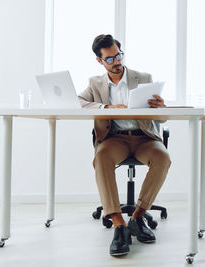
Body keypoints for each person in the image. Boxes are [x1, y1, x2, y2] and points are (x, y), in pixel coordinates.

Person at [78, 34, 171, 256]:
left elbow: (161, 119)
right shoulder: (95, 83)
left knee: (163, 158)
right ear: (100, 61)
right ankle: (119, 224)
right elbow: (78, 102)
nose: (116, 61)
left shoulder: (144, 77)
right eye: (109, 59)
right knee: (101, 157)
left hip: (144, 137)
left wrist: (161, 108)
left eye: (118, 55)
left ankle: (138, 217)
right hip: (115, 138)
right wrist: (105, 109)